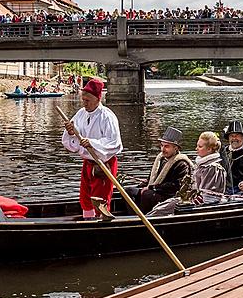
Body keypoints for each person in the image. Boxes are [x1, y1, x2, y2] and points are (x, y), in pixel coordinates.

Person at [62, 78, 123, 218]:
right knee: (85, 197)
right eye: (83, 99)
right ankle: (87, 220)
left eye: (87, 100)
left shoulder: (107, 116)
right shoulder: (81, 114)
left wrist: (92, 143)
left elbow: (114, 143)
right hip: (88, 163)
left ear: (97, 99)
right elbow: (72, 142)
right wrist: (71, 133)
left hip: (103, 164)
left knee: (100, 199)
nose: (84, 103)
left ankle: (101, 223)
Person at [126, 127, 192, 212]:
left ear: (176, 148)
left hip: (168, 196)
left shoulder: (182, 164)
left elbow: (175, 186)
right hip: (156, 191)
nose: (162, 149)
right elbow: (151, 179)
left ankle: (144, 218)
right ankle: (133, 217)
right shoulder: (160, 160)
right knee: (129, 191)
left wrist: (152, 188)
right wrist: (144, 184)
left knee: (147, 194)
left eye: (166, 146)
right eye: (162, 145)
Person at [191, 131, 227, 203]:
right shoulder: (201, 165)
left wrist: (190, 203)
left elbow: (209, 197)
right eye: (197, 146)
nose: (196, 149)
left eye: (200, 147)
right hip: (195, 198)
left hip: (204, 204)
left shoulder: (213, 168)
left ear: (209, 149)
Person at [221, 120, 243, 190]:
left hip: (239, 190)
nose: (234, 138)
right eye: (232, 136)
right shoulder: (223, 152)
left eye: (237, 136)